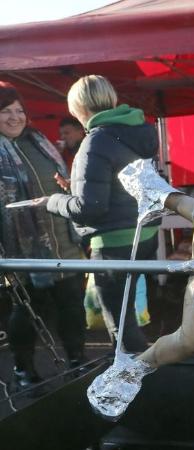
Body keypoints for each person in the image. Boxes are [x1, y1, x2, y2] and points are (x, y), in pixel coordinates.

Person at [43, 75, 160, 353]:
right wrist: (76, 187)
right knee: (130, 317)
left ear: (77, 108)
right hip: (145, 234)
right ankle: (143, 374)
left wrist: (54, 200)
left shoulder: (95, 141)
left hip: (114, 244)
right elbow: (125, 182)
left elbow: (90, 209)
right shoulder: (138, 130)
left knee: (121, 327)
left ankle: (138, 386)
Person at [0, 81, 86, 388]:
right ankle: (24, 370)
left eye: (19, 110)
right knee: (29, 310)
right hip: (22, 251)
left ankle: (77, 360)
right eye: (5, 111)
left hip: (64, 242)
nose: (14, 117)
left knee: (72, 307)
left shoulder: (38, 141)